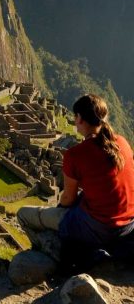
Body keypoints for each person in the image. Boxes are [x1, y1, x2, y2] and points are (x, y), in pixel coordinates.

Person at [17, 94, 134, 272]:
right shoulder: (123, 142)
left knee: (23, 214)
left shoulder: (75, 154)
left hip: (99, 227)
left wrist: (60, 212)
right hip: (128, 225)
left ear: (79, 118)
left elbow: (68, 198)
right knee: (81, 198)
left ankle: (53, 255)